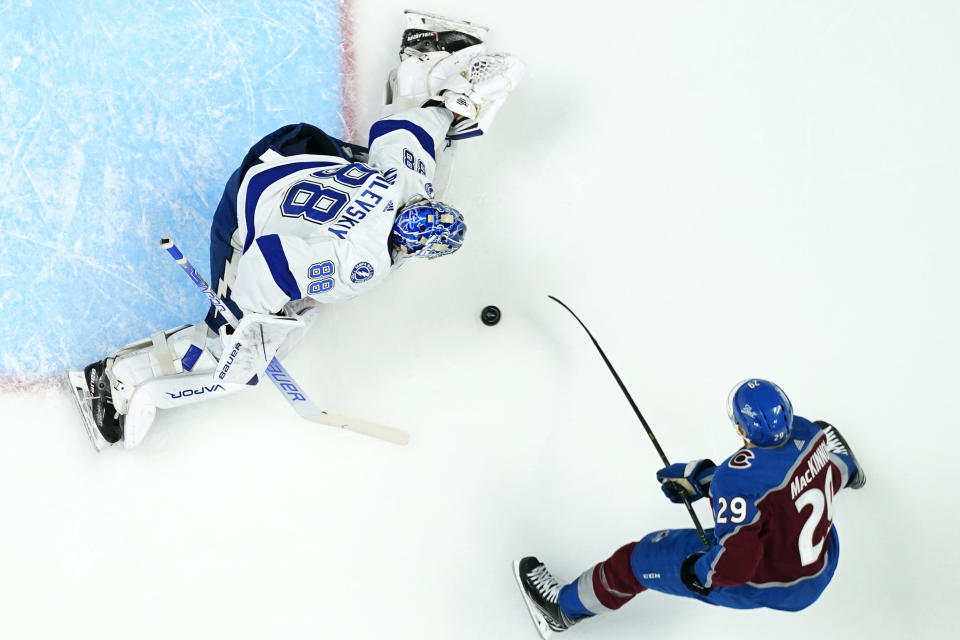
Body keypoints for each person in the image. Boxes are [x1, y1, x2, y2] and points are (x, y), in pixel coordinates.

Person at [70, 11, 524, 449]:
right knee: (225, 346)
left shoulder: (408, 180)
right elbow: (268, 262)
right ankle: (111, 382)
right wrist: (250, 332)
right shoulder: (362, 264)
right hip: (247, 206)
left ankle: (425, 55)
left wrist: (450, 102)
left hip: (293, 152)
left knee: (413, 152)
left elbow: (409, 127)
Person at [514, 379, 866, 638]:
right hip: (821, 561)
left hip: (775, 583)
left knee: (640, 559)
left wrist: (695, 574)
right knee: (804, 482)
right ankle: (855, 469)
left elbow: (733, 566)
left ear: (742, 428)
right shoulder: (813, 435)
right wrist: (706, 482)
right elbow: (820, 474)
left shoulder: (736, 481)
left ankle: (562, 609)